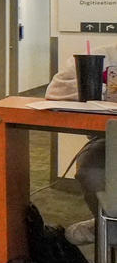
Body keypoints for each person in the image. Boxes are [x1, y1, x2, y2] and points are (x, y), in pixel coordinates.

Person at [45, 43, 117, 243]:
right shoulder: (104, 55)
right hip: (110, 140)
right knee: (91, 170)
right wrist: (106, 90)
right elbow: (56, 91)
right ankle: (107, 224)